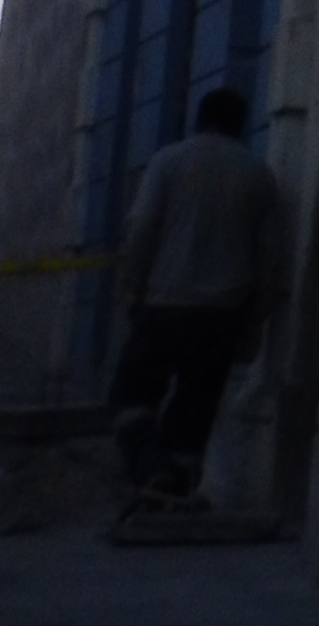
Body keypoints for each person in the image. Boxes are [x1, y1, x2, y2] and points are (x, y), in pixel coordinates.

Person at [109, 85, 290, 501]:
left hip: (165, 304)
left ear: (199, 118)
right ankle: (177, 487)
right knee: (195, 407)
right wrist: (255, 320)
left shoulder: (168, 162)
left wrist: (130, 289)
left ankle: (153, 471)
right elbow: (269, 260)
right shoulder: (259, 176)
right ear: (242, 126)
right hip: (223, 314)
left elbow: (142, 228)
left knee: (130, 395)